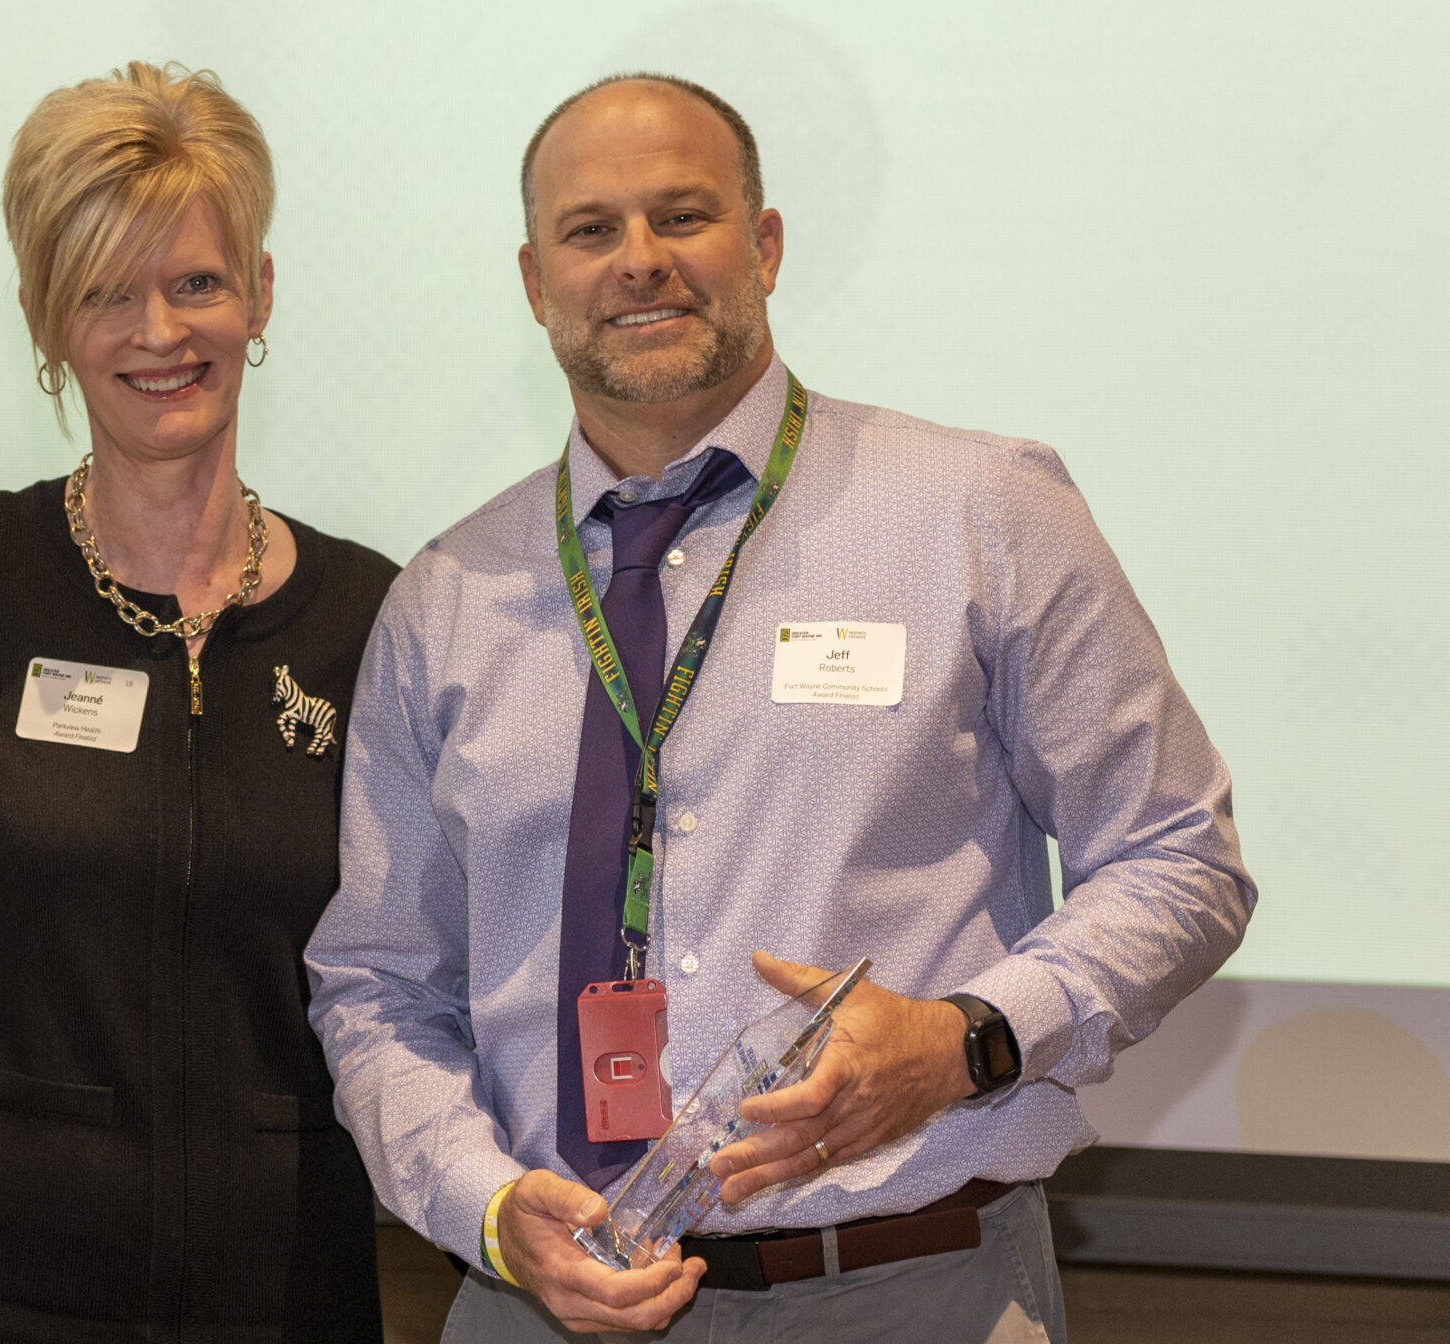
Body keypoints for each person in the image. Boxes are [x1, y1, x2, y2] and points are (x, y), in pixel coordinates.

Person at [305, 73, 1253, 1342]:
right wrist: (481, 1205)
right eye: (592, 231)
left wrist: (965, 1040)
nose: (639, 261)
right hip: (538, 1308)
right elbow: (377, 984)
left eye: (682, 216)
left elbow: (1179, 855)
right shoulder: (445, 600)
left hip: (910, 1292)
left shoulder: (979, 512)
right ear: (534, 283)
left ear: (764, 244)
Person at [0, 62, 399, 1343]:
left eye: (195, 281)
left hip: (283, 1293)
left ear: (260, 291)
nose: (158, 332)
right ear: (42, 317)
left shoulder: (372, 616)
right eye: (104, 291)